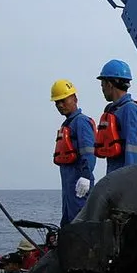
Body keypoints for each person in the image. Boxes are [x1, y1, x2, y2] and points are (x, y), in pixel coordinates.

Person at [50, 79, 96, 226]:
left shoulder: (81, 122)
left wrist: (86, 176)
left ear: (74, 98)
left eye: (63, 100)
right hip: (69, 187)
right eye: (57, 102)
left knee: (80, 225)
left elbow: (89, 152)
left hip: (79, 185)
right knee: (68, 224)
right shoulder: (67, 124)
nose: (60, 105)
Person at [95, 59, 137, 174]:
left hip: (124, 178)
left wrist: (129, 180)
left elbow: (133, 149)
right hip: (114, 173)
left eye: (102, 85)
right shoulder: (112, 109)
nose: (102, 90)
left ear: (109, 84)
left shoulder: (130, 109)